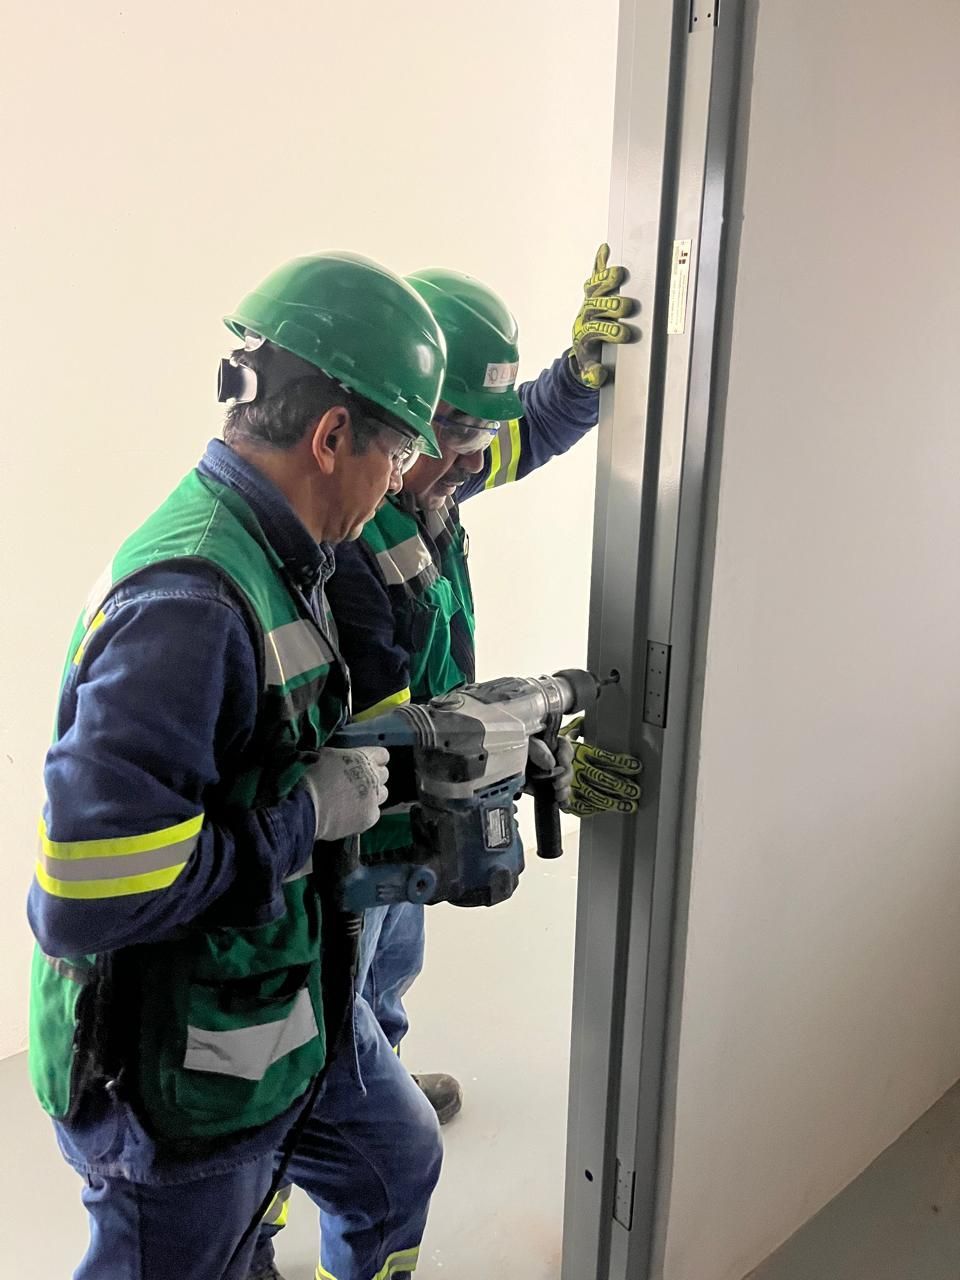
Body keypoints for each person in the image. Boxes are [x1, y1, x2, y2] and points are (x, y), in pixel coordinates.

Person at [26, 251, 451, 1280]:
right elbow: (86, 890)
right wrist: (305, 817)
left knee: (392, 1163)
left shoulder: (282, 552)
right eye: (395, 454)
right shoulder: (192, 601)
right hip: (169, 1076)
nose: (400, 483)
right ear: (331, 434)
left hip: (262, 1023)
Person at [326, 245, 646, 1121]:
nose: (476, 461)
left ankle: (376, 1083)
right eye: (462, 436)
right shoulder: (346, 533)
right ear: (403, 423)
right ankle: (300, 1173)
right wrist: (520, 756)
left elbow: (528, 431)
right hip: (363, 822)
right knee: (328, 1003)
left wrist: (580, 375)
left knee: (388, 972)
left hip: (404, 828)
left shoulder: (435, 484)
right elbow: (390, 732)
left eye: (476, 436)